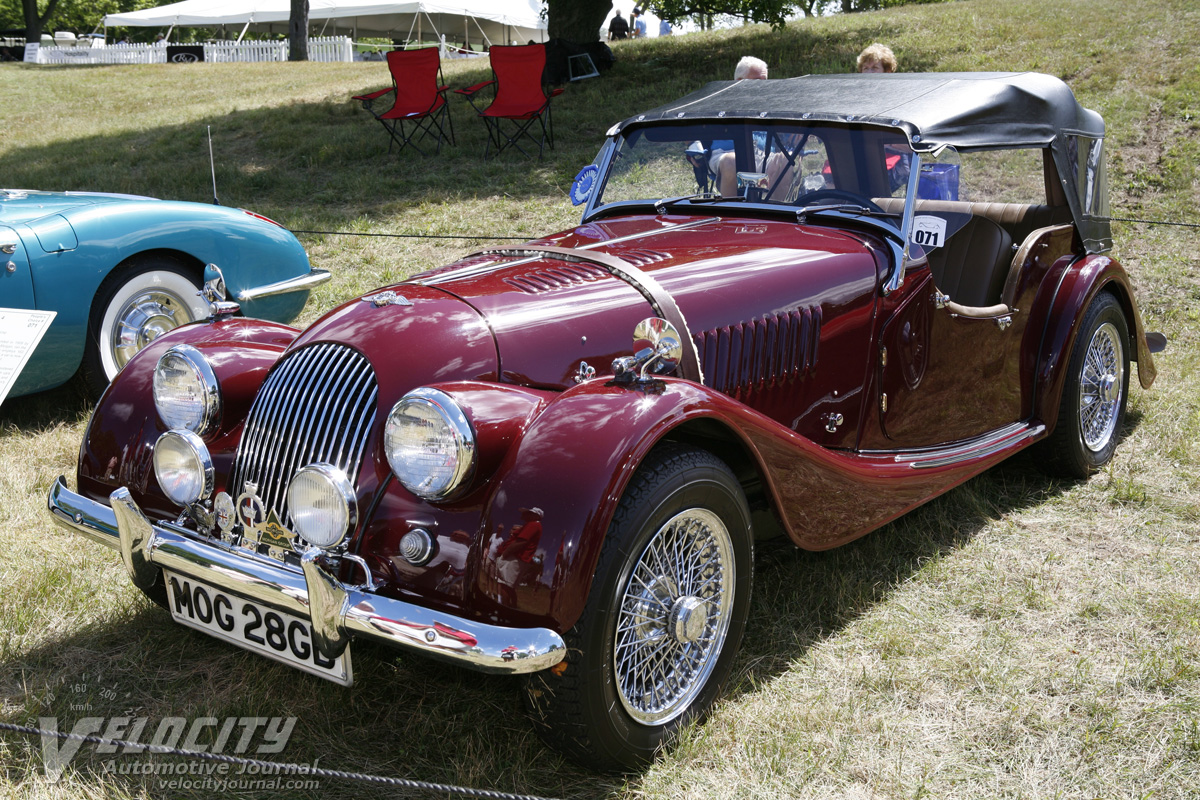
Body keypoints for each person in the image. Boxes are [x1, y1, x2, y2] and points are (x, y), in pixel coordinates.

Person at [709, 57, 769, 195]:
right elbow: (694, 129)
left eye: (765, 82)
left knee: (784, 161)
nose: (763, 87)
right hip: (724, 154)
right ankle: (730, 215)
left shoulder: (772, 105)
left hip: (764, 157)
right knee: (732, 160)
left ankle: (776, 214)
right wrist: (694, 145)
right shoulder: (718, 102)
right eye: (757, 82)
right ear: (739, 82)